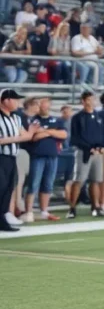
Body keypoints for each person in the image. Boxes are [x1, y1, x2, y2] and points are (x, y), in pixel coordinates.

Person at [0, 89, 39, 232]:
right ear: (6, 101)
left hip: (11, 157)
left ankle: (2, 219)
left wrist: (32, 131)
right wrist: (19, 138)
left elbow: (26, 136)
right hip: (1, 157)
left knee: (8, 189)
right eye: (15, 99)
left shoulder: (16, 118)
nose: (18, 102)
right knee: (1, 187)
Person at [24, 96, 66, 222]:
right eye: (42, 103)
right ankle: (29, 211)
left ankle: (44, 211)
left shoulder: (56, 120)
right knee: (33, 184)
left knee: (48, 184)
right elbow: (34, 137)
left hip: (52, 155)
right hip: (37, 155)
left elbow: (63, 134)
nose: (45, 105)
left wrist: (48, 132)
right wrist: (52, 132)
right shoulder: (33, 120)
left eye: (47, 103)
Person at [67, 91, 104, 218]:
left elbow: (101, 135)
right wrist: (88, 148)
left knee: (96, 180)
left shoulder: (99, 117)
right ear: (83, 101)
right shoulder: (78, 117)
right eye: (89, 99)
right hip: (83, 152)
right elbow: (74, 138)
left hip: (97, 153)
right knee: (79, 180)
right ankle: (72, 208)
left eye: (93, 99)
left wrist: (100, 147)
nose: (92, 102)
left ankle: (95, 207)